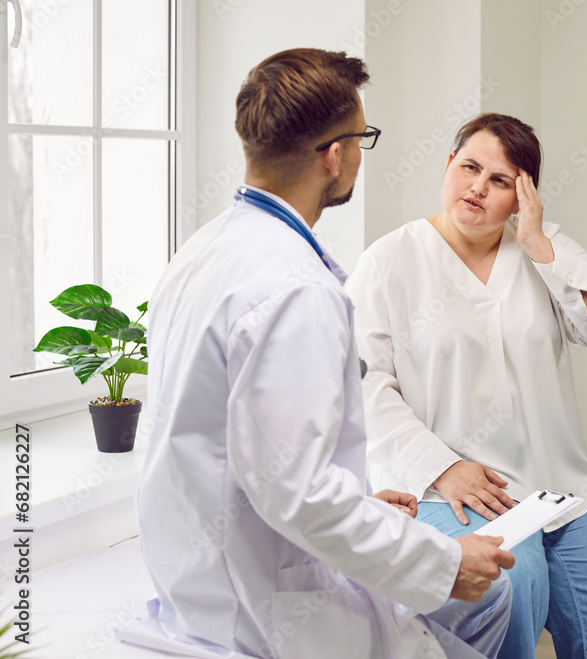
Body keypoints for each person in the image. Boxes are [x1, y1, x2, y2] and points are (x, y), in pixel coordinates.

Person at [123, 50, 515, 659]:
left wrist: (358, 500)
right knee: (488, 597)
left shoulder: (203, 250)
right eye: (362, 139)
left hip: (197, 577)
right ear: (335, 155)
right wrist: (440, 560)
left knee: (488, 600)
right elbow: (294, 492)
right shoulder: (296, 290)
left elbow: (237, 446)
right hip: (265, 608)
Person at [346, 113, 587, 659]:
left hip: (561, 481)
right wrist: (441, 466)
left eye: (500, 181)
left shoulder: (542, 250)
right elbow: (366, 387)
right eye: (469, 168)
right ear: (448, 165)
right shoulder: (388, 261)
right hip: (458, 483)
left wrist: (538, 241)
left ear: (523, 196)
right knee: (513, 595)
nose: (477, 187)